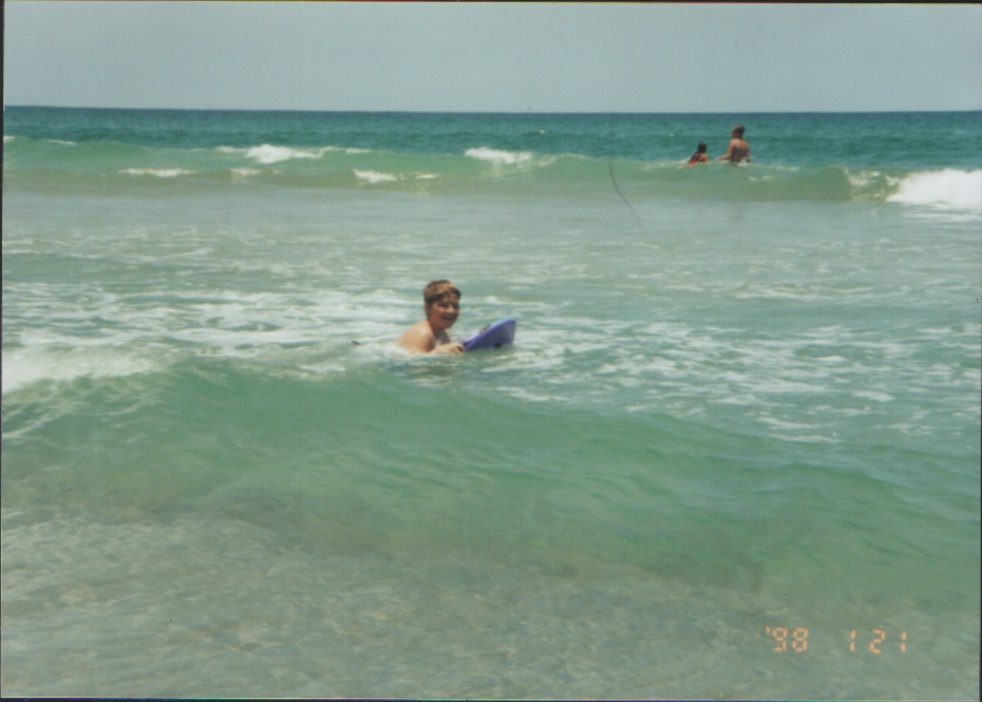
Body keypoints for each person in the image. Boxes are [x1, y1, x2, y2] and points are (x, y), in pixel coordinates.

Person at [398, 280, 465, 354]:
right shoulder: (423, 333)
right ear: (428, 308)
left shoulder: (443, 331)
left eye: (455, 306)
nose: (451, 311)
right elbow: (412, 361)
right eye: (444, 305)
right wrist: (437, 352)